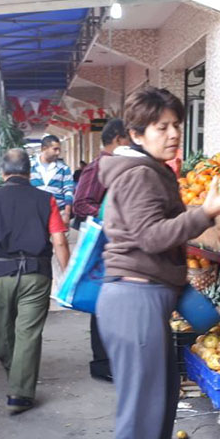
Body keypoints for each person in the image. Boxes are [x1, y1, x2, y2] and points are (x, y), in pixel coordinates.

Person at [96, 87, 220, 439]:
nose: (172, 134)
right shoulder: (139, 174)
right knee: (139, 403)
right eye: (162, 127)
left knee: (162, 393)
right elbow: (151, 236)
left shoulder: (150, 168)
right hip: (134, 298)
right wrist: (208, 211)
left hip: (149, 296)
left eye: (176, 126)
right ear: (137, 133)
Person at [0, 148, 71, 414]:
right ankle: (20, 389)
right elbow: (59, 239)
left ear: (3, 173)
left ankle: (17, 386)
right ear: (29, 172)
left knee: (3, 334)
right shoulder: (45, 200)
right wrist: (69, 275)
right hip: (36, 274)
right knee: (28, 333)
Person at [72, 118, 131, 382]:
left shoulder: (122, 166)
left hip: (121, 244)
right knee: (103, 303)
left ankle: (115, 360)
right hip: (105, 246)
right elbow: (81, 204)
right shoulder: (97, 168)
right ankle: (102, 362)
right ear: (119, 139)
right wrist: (110, 216)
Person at [30, 134, 75, 224]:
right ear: (44, 149)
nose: (58, 153)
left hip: (59, 212)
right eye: (55, 149)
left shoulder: (64, 169)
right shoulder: (30, 167)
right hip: (35, 213)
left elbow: (68, 191)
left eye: (59, 150)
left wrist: (66, 213)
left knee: (60, 238)